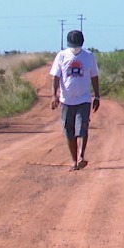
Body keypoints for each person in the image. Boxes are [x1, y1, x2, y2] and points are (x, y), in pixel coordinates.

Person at [50, 30, 100, 171]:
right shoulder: (62, 56)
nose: (75, 49)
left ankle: (81, 156)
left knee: (82, 127)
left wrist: (97, 96)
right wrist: (54, 95)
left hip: (83, 99)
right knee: (69, 130)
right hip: (66, 100)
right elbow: (56, 77)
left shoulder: (89, 56)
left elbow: (94, 76)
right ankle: (74, 161)